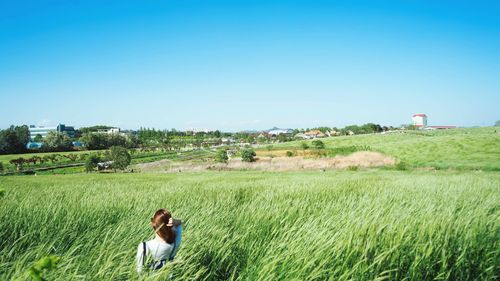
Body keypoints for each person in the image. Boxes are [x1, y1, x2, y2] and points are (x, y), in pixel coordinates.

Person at [136, 209, 182, 273]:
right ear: (170, 223)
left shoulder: (145, 246)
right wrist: (174, 221)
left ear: (153, 224)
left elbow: (139, 271)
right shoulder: (176, 241)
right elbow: (179, 224)